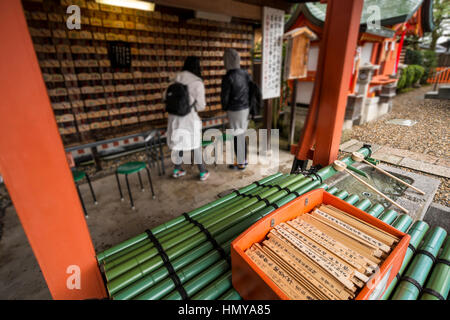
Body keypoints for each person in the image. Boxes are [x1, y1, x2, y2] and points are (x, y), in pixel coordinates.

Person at [166, 56, 209, 181]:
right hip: (189, 118)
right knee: (194, 143)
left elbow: (165, 97)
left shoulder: (175, 78)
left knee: (178, 142)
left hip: (174, 118)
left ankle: (177, 169)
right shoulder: (197, 82)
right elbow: (201, 106)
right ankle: (202, 172)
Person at [221, 48, 250, 170]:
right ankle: (243, 159)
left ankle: (241, 162)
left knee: (237, 136)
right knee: (242, 134)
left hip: (234, 110)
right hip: (245, 108)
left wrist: (225, 107)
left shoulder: (228, 77)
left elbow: (225, 96)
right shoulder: (245, 73)